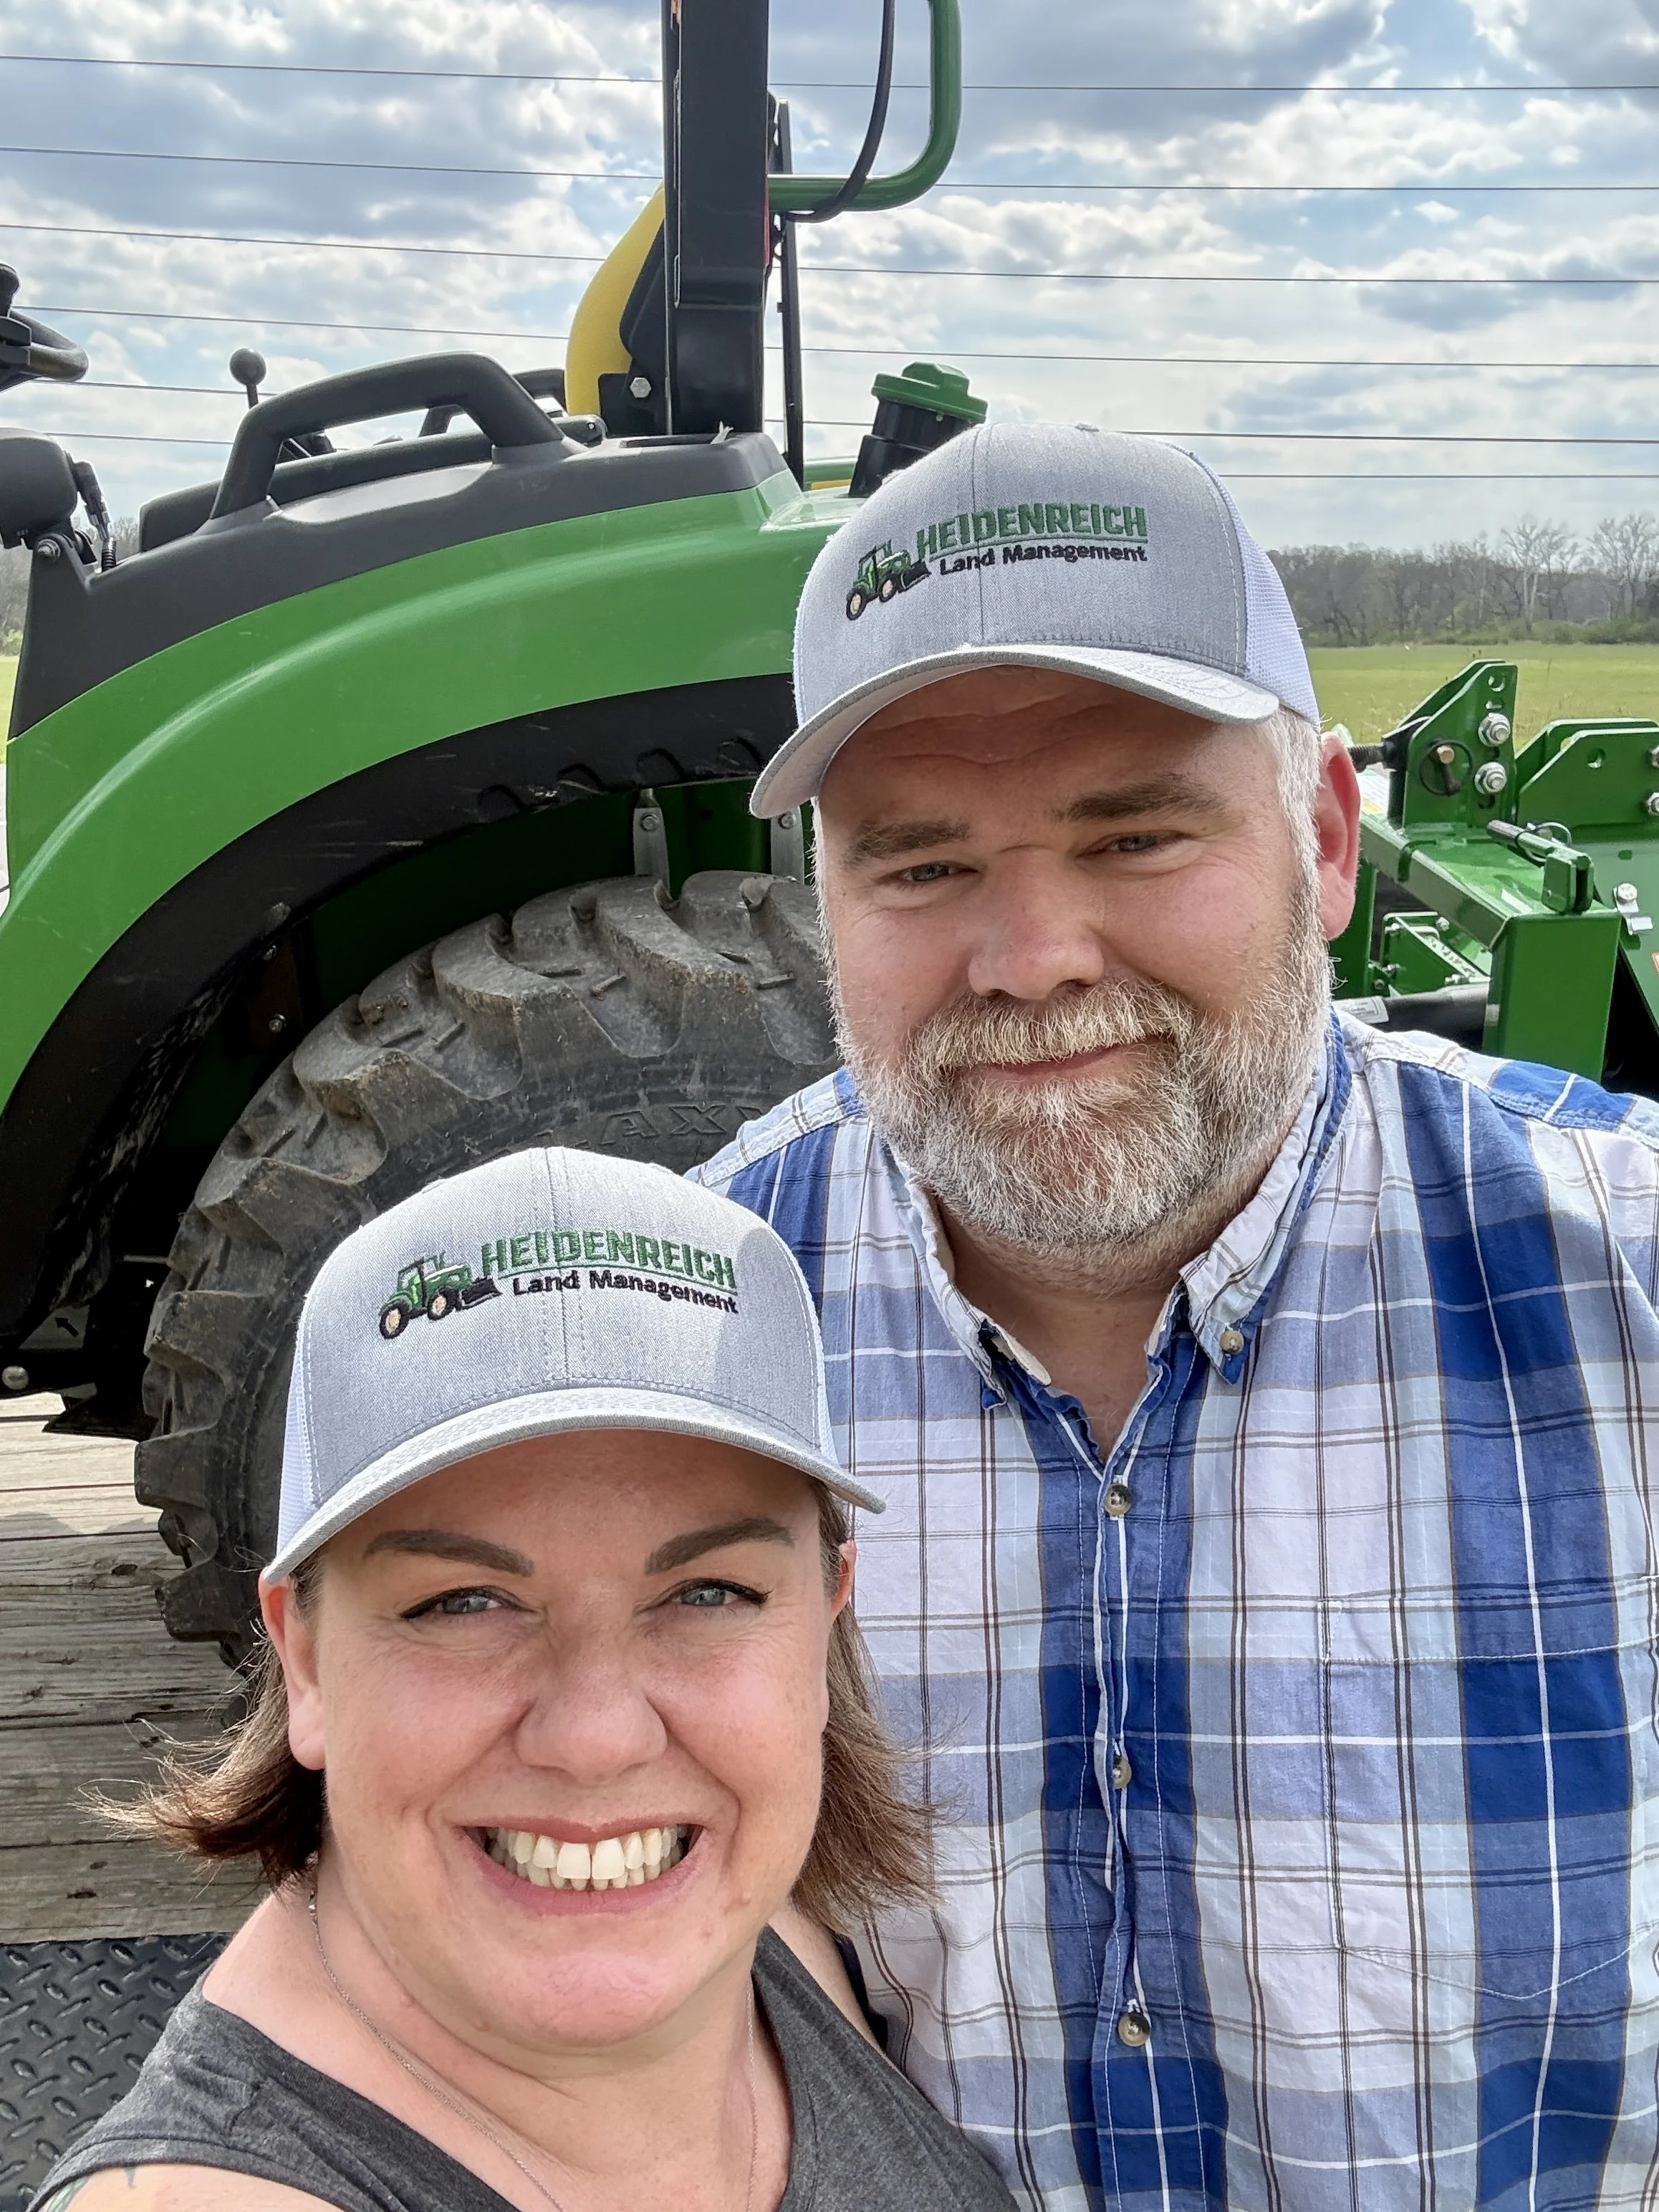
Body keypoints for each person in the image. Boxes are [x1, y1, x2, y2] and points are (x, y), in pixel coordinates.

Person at [695, 420, 1659, 2211]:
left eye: (1135, 833)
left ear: (1325, 837)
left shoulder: (1628, 1283)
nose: (1034, 954)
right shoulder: (702, 1324)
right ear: (823, 898)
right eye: (919, 867)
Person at [33, 1148, 1015, 2212]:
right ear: (304, 1658)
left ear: (825, 1617)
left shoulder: (750, 1914)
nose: (598, 1740)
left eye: (708, 1593)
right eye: (462, 1602)